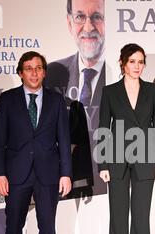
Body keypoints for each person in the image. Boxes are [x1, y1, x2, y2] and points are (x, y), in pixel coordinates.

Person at [0, 51, 72, 234]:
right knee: (14, 225)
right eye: (29, 68)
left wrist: (66, 173)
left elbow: (63, 139)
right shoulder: (7, 100)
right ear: (20, 73)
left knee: (47, 226)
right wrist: (0, 174)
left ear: (44, 72)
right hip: (16, 174)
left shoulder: (57, 101)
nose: (34, 72)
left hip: (48, 173)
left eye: (38, 68)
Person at [98, 43, 155, 234]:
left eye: (141, 62)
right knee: (118, 217)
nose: (137, 66)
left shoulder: (152, 91)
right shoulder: (109, 92)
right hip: (115, 160)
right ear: (122, 63)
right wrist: (102, 165)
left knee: (140, 216)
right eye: (132, 61)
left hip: (146, 159)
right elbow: (103, 128)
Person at [44, 0, 106, 199]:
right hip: (58, 178)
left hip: (102, 178)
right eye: (80, 17)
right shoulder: (52, 73)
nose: (88, 27)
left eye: (97, 16)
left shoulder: (118, 80)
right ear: (70, 23)